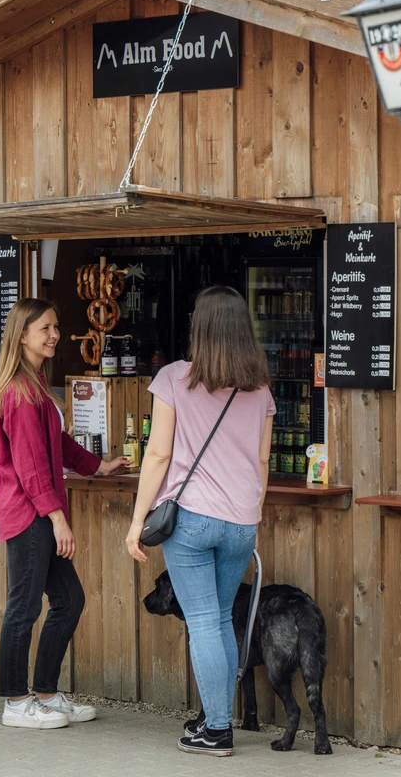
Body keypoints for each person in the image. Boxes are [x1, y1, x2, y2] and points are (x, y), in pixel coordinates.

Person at [125, 286, 274, 757]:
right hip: (240, 523)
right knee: (220, 623)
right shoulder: (261, 388)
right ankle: (216, 718)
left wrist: (135, 523)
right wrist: (254, 513)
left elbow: (159, 453)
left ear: (199, 327)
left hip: (191, 521)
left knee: (205, 623)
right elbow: (263, 461)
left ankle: (216, 730)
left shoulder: (174, 378)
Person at [0, 298, 130, 729]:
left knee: (69, 600)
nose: (54, 335)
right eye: (46, 328)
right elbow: (32, 465)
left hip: (41, 511)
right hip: (29, 513)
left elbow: (60, 442)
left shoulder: (35, 383)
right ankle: (16, 702)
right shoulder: (19, 391)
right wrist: (57, 519)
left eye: (55, 326)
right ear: (22, 335)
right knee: (24, 606)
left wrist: (98, 465)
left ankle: (46, 694)